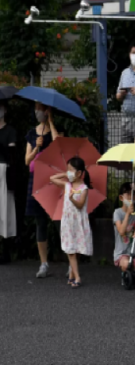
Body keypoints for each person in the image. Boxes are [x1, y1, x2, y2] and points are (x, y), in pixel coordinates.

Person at [25, 103, 63, 278]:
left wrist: (51, 123)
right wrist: (35, 148)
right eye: (36, 109)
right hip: (37, 182)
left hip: (53, 181)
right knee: (40, 223)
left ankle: (71, 262)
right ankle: (43, 264)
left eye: (41, 109)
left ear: (48, 111)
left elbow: (59, 146)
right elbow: (27, 161)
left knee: (59, 222)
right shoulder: (32, 134)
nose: (38, 112)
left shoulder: (56, 129)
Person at [50, 157, 93, 288]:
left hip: (79, 222)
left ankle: (72, 275)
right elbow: (52, 178)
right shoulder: (67, 185)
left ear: (79, 173)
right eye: (67, 170)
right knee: (71, 250)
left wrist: (72, 199)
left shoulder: (83, 188)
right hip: (68, 222)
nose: (68, 172)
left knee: (77, 248)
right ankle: (77, 277)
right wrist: (64, 174)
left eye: (71, 170)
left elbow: (80, 205)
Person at [113, 182, 135, 285]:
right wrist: (127, 214)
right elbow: (121, 231)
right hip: (122, 252)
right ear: (121, 198)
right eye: (128, 194)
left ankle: (131, 273)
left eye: (133, 194)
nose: (131, 197)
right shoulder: (117, 213)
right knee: (126, 264)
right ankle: (125, 274)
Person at [0, 100, 17, 253]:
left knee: (5, 207)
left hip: (4, 171)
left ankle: (5, 249)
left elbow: (12, 155)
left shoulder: (10, 131)